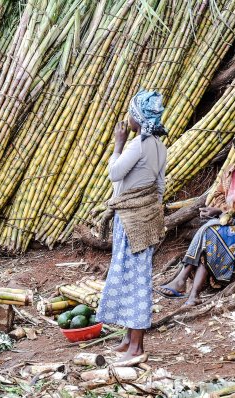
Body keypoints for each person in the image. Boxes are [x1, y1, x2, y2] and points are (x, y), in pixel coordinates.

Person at [157, 129, 235, 306]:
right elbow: (218, 195)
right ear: (234, 148)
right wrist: (221, 210)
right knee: (210, 235)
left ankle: (183, 281)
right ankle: (192, 294)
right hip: (226, 221)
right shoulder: (230, 171)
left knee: (209, 232)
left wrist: (220, 212)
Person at [95, 90, 168, 361]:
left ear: (136, 117)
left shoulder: (138, 144)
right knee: (132, 276)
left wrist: (117, 145)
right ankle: (128, 339)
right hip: (145, 218)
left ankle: (137, 347)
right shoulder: (160, 146)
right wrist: (150, 212)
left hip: (130, 221)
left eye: (130, 113)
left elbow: (115, 173)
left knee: (135, 280)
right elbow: (160, 187)